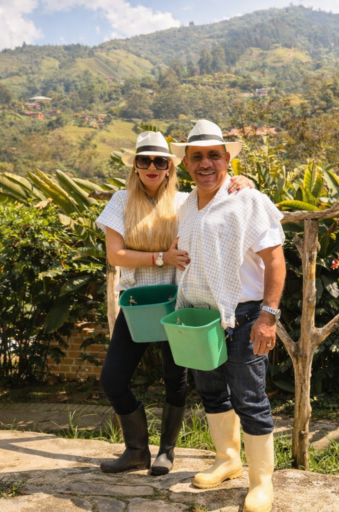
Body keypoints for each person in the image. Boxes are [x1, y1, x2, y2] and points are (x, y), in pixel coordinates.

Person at [95, 130, 253, 475]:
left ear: (170, 166)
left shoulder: (185, 199)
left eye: (160, 161)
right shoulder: (120, 201)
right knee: (113, 378)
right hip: (137, 303)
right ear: (135, 166)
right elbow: (115, 254)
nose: (152, 166)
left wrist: (243, 180)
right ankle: (136, 449)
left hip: (177, 301)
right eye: (145, 160)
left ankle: (166, 450)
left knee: (175, 378)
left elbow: (222, 195)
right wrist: (160, 258)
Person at [171, 120, 286, 512]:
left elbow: (275, 261)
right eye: (197, 156)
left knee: (250, 397)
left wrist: (268, 317)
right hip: (200, 318)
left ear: (227, 162)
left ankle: (261, 482)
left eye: (213, 156)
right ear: (186, 163)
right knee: (210, 390)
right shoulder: (186, 205)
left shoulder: (247, 200)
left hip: (246, 315)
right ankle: (228, 460)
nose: (206, 163)